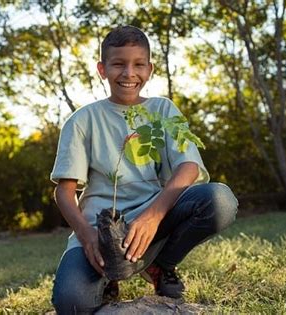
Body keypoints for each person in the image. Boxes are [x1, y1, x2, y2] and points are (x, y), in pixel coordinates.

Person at [50, 25, 238, 314]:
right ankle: (111, 274)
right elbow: (64, 192)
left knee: (219, 201)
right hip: (101, 230)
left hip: (155, 217)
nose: (128, 73)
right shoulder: (82, 121)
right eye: (118, 64)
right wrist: (87, 235)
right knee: (71, 303)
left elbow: (188, 166)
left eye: (138, 65)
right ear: (102, 69)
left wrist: (153, 216)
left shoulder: (163, 110)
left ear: (149, 69)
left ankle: (161, 264)